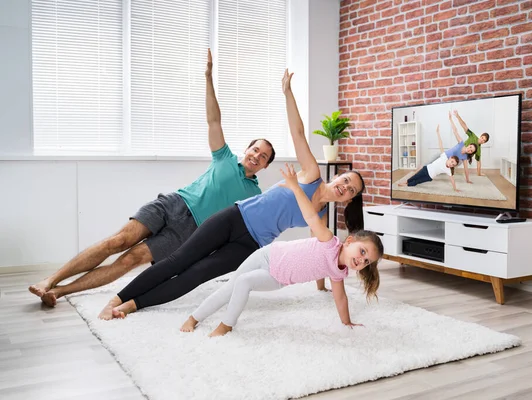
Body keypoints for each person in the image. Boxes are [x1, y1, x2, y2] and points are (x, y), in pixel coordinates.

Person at [101, 68, 367, 320]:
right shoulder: (310, 173)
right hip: (234, 217)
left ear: (348, 200)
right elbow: (298, 133)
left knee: (195, 276)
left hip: (250, 245)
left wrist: (322, 286)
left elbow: (318, 253)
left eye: (350, 189)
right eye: (345, 180)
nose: (344, 186)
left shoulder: (320, 218)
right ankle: (116, 298)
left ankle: (132, 305)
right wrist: (288, 93)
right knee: (179, 260)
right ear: (337, 176)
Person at [29, 49, 275, 313]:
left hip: (190, 232)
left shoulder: (254, 195)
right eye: (255, 150)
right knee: (118, 241)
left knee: (130, 260)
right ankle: (50, 279)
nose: (256, 156)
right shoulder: (224, 157)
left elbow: (245, 228)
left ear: (265, 166)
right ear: (247, 149)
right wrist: (208, 78)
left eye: (263, 157)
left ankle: (58, 291)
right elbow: (213, 119)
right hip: (173, 204)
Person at [179, 163, 383, 336]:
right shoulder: (329, 240)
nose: (362, 261)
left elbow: (340, 298)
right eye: (363, 252)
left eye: (367, 262)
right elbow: (311, 216)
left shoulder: (338, 272)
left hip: (277, 277)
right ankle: (193, 318)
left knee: (243, 282)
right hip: (267, 255)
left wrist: (346, 322)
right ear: (349, 241)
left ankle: (226, 325)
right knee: (230, 287)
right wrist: (295, 187)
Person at [398, 125, 460, 191]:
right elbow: (440, 144)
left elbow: (452, 180)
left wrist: (455, 188)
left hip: (429, 177)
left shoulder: (448, 170)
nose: (451, 164)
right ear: (450, 158)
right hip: (426, 169)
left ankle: (407, 184)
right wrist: (438, 133)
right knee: (416, 176)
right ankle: (407, 181)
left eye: (453, 165)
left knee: (418, 181)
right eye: (452, 162)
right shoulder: (444, 157)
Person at [452, 110, 490, 176]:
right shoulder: (473, 136)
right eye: (482, 138)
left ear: (484, 143)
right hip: (459, 149)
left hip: (462, 157)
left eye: (484, 141)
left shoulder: (478, 150)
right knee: (447, 158)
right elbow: (464, 126)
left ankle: (451, 167)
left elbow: (478, 162)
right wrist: (457, 116)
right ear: (480, 136)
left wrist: (479, 173)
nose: (482, 140)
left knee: (455, 163)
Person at [444, 112, 478, 184]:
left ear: (471, 153)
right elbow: (455, 131)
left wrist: (467, 180)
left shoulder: (465, 157)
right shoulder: (461, 143)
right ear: (469, 145)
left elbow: (466, 169)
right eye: (470, 147)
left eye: (471, 151)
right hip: (443, 156)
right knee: (428, 166)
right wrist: (450, 119)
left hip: (449, 162)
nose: (469, 150)